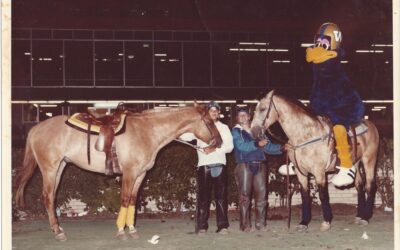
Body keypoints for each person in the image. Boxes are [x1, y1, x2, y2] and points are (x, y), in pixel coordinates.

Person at [305, 22, 365, 187]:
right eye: (318, 42)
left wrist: (334, 107)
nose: (319, 46)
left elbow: (339, 89)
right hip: (322, 105)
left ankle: (346, 165)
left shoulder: (332, 63)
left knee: (339, 128)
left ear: (333, 43)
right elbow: (318, 87)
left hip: (341, 106)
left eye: (324, 43)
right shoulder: (317, 62)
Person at [179, 101, 234, 235]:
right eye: (211, 110)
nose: (214, 112)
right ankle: (202, 227)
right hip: (204, 166)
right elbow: (183, 136)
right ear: (207, 113)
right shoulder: (199, 127)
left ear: (219, 113)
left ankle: (223, 227)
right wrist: (184, 123)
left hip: (220, 165)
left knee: (221, 198)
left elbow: (230, 147)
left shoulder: (224, 127)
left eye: (216, 110)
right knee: (203, 198)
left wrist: (214, 149)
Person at [232, 107, 287, 232]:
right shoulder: (236, 131)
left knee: (262, 196)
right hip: (244, 164)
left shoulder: (259, 131)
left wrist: (282, 148)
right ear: (237, 118)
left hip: (261, 164)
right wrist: (257, 144)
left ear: (249, 116)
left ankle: (260, 224)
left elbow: (268, 147)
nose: (243, 117)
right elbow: (241, 146)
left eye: (244, 115)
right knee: (244, 196)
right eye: (240, 115)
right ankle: (245, 225)